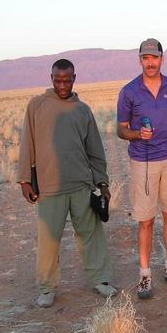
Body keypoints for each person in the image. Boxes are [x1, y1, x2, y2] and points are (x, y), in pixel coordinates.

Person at [18, 58, 117, 308]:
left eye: (67, 79)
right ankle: (47, 288)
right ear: (51, 78)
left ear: (74, 78)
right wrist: (25, 180)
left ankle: (100, 279)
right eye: (58, 80)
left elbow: (95, 149)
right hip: (50, 188)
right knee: (49, 240)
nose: (62, 85)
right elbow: (26, 144)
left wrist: (102, 183)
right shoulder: (36, 106)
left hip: (81, 185)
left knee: (91, 234)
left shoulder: (82, 110)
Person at [117, 38, 167, 299]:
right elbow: (120, 129)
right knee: (146, 220)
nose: (150, 62)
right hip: (143, 162)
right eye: (145, 58)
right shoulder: (129, 91)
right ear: (140, 60)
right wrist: (137, 134)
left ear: (161, 59)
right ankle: (145, 274)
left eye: (154, 57)